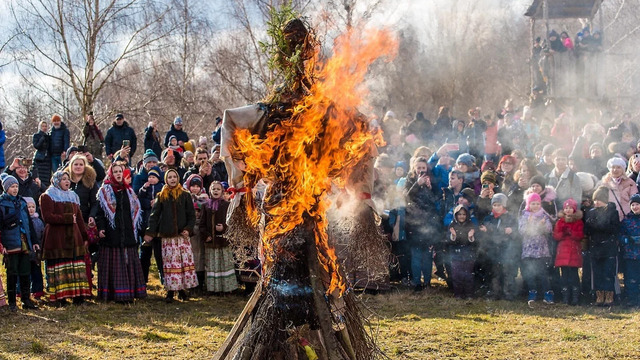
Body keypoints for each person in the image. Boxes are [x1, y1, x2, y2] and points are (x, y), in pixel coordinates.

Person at [143, 168, 197, 302]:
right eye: (170, 177)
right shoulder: (161, 196)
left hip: (181, 236)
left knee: (182, 264)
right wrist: (150, 232)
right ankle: (171, 291)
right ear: (166, 179)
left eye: (174, 177)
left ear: (178, 178)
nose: (172, 179)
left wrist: (188, 229)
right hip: (168, 237)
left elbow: (191, 215)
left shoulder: (185, 195)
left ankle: (182, 290)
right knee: (170, 265)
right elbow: (154, 216)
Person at [96, 164, 146, 302]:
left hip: (127, 233)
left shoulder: (129, 191)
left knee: (128, 263)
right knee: (114, 265)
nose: (118, 174)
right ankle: (112, 294)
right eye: (115, 172)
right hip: (111, 234)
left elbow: (136, 214)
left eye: (120, 172)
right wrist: (101, 228)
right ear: (111, 174)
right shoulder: (104, 191)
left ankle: (128, 293)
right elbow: (100, 213)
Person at [40, 170, 91, 305]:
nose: (67, 181)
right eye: (63, 179)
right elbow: (47, 217)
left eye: (68, 179)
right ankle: (60, 298)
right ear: (56, 181)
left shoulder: (73, 196)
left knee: (75, 266)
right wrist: (67, 218)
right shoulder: (48, 196)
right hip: (57, 238)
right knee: (60, 265)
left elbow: (79, 218)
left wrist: (84, 235)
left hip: (74, 237)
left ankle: (78, 296)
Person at [0, 174, 39, 311]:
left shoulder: (22, 203)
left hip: (24, 241)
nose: (15, 189)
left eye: (16, 186)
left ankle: (26, 299)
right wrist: (2, 245)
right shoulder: (2, 204)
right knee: (12, 272)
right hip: (10, 243)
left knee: (25, 271)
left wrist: (34, 241)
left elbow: (29, 223)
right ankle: (12, 303)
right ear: (6, 188)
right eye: (12, 186)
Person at [403, 157, 442, 291]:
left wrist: (430, 188)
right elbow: (406, 197)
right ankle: (416, 282)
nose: (421, 170)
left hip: (429, 223)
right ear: (414, 168)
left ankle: (427, 282)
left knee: (427, 255)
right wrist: (417, 184)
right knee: (416, 255)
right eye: (418, 168)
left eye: (423, 168)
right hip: (414, 223)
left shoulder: (432, 181)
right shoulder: (409, 181)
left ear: (427, 169)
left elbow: (437, 199)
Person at [478, 193, 520, 301]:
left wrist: (511, 231)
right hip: (493, 248)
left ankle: (508, 293)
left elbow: (515, 231)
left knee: (507, 271)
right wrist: (499, 230)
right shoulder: (489, 217)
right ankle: (494, 292)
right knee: (494, 271)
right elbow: (487, 229)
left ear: (504, 205)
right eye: (495, 205)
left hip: (507, 248)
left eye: (499, 205)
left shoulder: (510, 217)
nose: (497, 207)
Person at [584, 186, 621, 306]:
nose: (596, 202)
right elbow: (587, 230)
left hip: (608, 247)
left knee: (608, 273)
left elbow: (614, 229)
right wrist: (592, 225)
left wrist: (598, 225)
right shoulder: (591, 213)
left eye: (599, 199)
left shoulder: (613, 212)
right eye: (595, 200)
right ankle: (599, 296)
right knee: (597, 272)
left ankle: (609, 296)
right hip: (595, 247)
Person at [200, 181, 238, 293]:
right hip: (211, 242)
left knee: (224, 264)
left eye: (218, 189)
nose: (216, 191)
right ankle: (213, 288)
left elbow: (232, 222)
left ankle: (227, 288)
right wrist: (206, 235)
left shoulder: (226, 205)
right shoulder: (206, 206)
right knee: (213, 265)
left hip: (223, 241)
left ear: (222, 191)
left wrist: (224, 227)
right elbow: (201, 224)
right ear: (210, 191)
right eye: (213, 189)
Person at [519, 192, 554, 305]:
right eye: (533, 203)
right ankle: (532, 292)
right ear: (529, 204)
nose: (535, 206)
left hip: (541, 250)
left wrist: (542, 225)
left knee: (543, 272)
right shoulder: (524, 216)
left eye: (537, 203)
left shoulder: (544, 215)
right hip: (529, 250)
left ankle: (548, 294)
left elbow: (549, 229)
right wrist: (530, 224)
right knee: (530, 273)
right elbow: (522, 231)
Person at [553, 198, 584, 305]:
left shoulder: (578, 222)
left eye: (570, 208)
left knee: (574, 275)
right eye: (566, 208)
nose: (568, 210)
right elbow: (556, 236)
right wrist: (562, 233)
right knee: (564, 275)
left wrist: (571, 232)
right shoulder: (560, 222)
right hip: (563, 251)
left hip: (574, 250)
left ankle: (575, 297)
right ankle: (565, 297)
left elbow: (580, 235)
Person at [138, 166, 164, 284]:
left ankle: (163, 279)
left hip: (159, 226)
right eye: (150, 177)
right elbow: (139, 199)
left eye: (154, 177)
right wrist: (148, 202)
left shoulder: (162, 188)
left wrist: (157, 203)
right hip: (146, 223)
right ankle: (143, 279)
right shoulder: (145, 188)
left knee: (160, 255)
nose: (152, 179)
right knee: (145, 253)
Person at [184, 174, 208, 293]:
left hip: (201, 229)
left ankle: (200, 282)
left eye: (197, 186)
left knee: (201, 256)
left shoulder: (205, 198)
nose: (195, 188)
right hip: (191, 229)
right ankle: (191, 283)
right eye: (192, 186)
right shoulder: (185, 197)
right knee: (192, 255)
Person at [447, 205, 477, 299]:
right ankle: (458, 293)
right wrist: (453, 236)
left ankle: (469, 294)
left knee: (468, 275)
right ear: (456, 215)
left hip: (468, 254)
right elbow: (448, 242)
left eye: (464, 214)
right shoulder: (452, 225)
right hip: (456, 254)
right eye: (459, 214)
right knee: (457, 275)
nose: (462, 216)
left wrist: (471, 237)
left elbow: (475, 242)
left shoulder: (471, 225)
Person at [600, 157, 638, 221]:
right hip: (610, 217)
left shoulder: (630, 182)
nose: (615, 170)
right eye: (613, 167)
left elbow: (635, 198)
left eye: (618, 167)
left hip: (627, 217)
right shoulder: (604, 182)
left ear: (623, 169)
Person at [22, 197, 45, 300]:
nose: (31, 209)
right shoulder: (23, 221)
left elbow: (42, 234)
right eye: (28, 207)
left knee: (36, 271)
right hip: (26, 250)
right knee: (25, 271)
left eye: (33, 207)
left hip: (36, 251)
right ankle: (23, 291)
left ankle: (38, 290)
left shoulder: (38, 221)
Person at [621, 193, 640, 307]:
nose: (635, 207)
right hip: (631, 255)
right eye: (633, 205)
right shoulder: (626, 220)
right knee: (631, 279)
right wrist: (628, 240)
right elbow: (620, 235)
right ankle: (632, 300)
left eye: (637, 204)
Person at [32, 121, 51, 187]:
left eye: (45, 126)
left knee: (47, 178)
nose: (44, 128)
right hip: (39, 159)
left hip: (47, 160)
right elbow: (36, 146)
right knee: (40, 176)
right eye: (43, 126)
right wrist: (42, 138)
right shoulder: (36, 135)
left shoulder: (48, 136)